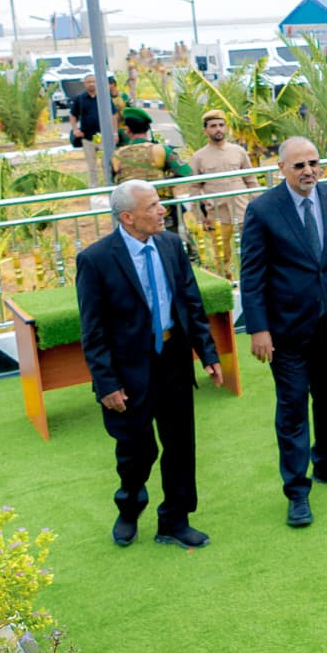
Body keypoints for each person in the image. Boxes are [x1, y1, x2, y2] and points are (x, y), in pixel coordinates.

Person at [239, 136, 327, 528]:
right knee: (293, 406)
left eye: (313, 163)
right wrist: (258, 329)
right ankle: (297, 490)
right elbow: (251, 276)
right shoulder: (263, 210)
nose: (308, 171)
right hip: (286, 331)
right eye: (299, 165)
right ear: (281, 169)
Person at [77, 181, 219, 549]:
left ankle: (175, 519)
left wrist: (209, 355)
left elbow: (190, 303)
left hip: (172, 360)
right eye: (153, 206)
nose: (162, 211)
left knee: (179, 445)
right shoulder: (95, 260)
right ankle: (129, 505)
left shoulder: (171, 245)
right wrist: (106, 383)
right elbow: (92, 330)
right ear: (127, 217)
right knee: (137, 452)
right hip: (127, 371)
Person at [183, 110, 256, 250]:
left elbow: (251, 180)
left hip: (243, 212)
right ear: (205, 130)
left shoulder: (238, 151)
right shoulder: (199, 157)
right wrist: (199, 215)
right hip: (217, 216)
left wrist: (259, 206)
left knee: (252, 251)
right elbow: (194, 188)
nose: (218, 129)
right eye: (213, 126)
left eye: (221, 125)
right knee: (222, 257)